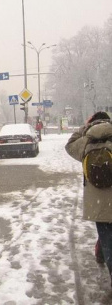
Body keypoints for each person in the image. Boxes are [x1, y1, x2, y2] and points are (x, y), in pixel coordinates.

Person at [65, 111, 112, 287]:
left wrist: (84, 128)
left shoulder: (86, 142)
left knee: (107, 239)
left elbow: (69, 145)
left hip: (99, 204)